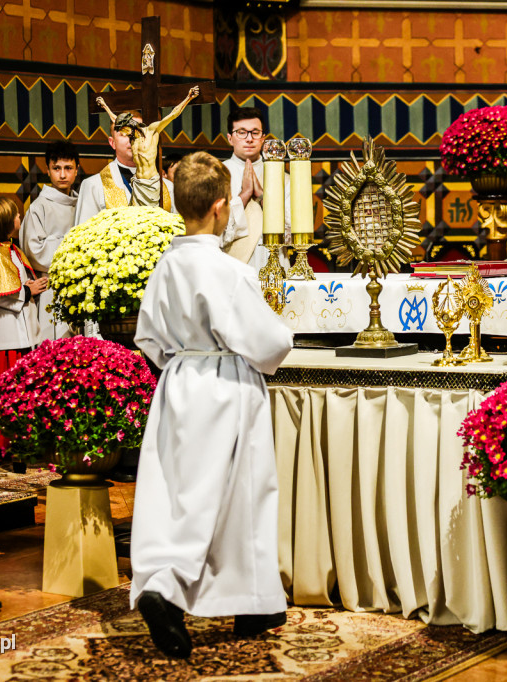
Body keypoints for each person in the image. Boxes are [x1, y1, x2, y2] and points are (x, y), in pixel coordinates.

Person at [130, 152, 294, 659]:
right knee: (233, 492)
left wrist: (180, 361)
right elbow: (268, 342)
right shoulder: (231, 272)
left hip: (178, 380)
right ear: (222, 207)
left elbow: (147, 339)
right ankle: (169, 589)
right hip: (226, 385)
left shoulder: (164, 266)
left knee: (178, 490)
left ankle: (251, 597)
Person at [0, 196, 45, 453]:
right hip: (0, 339)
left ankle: (19, 442)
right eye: (17, 215)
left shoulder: (14, 250)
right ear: (7, 220)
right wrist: (28, 292)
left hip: (20, 338)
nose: (20, 218)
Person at [21, 140, 79, 340]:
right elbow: (35, 251)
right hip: (50, 287)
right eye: (57, 168)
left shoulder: (82, 203)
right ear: (48, 170)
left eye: (68, 168)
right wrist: (72, 243)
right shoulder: (39, 207)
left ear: (76, 170)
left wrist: (57, 240)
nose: (62, 174)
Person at [221, 107, 290, 267]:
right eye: (241, 132)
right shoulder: (216, 174)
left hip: (276, 263)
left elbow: (293, 233)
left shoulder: (282, 177)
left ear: (263, 138)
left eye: (255, 132)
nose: (249, 138)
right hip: (233, 266)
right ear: (230, 138)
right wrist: (244, 196)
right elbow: (216, 232)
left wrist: (261, 195)